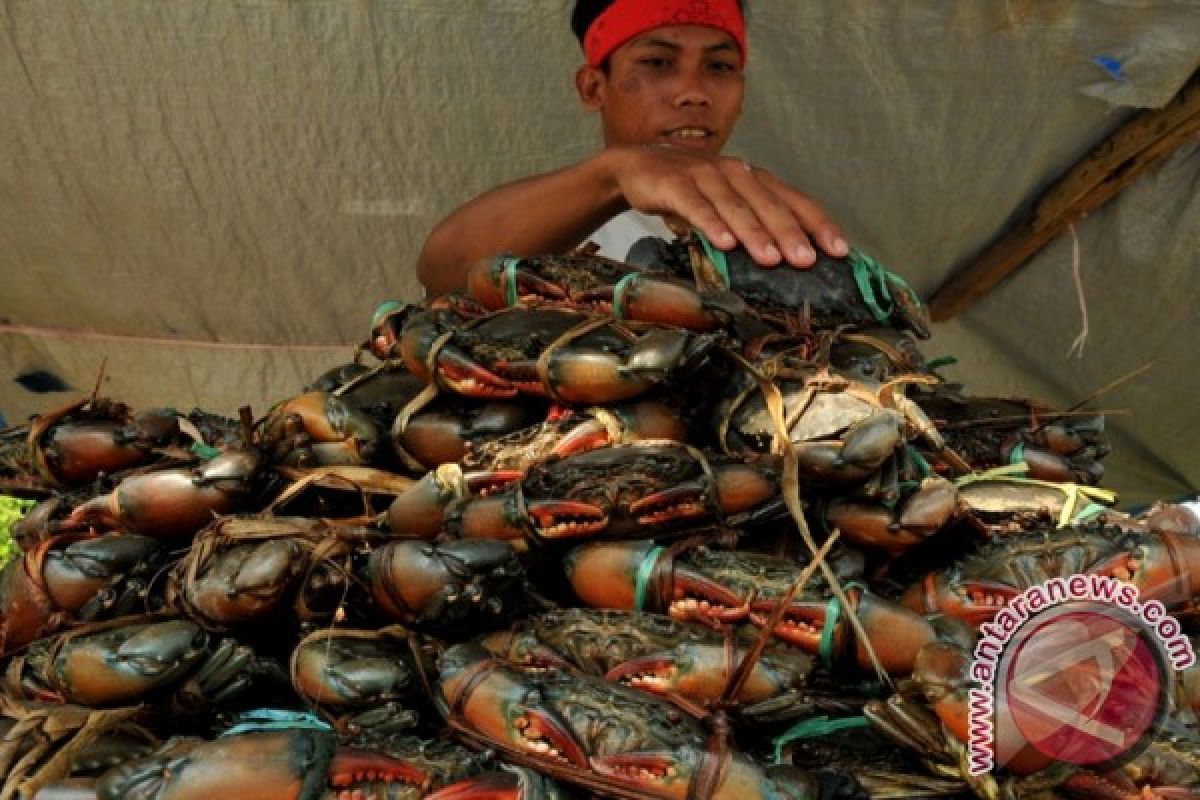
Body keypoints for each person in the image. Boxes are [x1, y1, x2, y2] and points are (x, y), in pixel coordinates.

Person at [417, 0, 849, 297]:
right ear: (593, 87)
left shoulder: (780, 226)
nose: (693, 92)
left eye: (719, 66)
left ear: (743, 93)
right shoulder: (544, 222)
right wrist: (615, 173)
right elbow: (443, 271)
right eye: (658, 62)